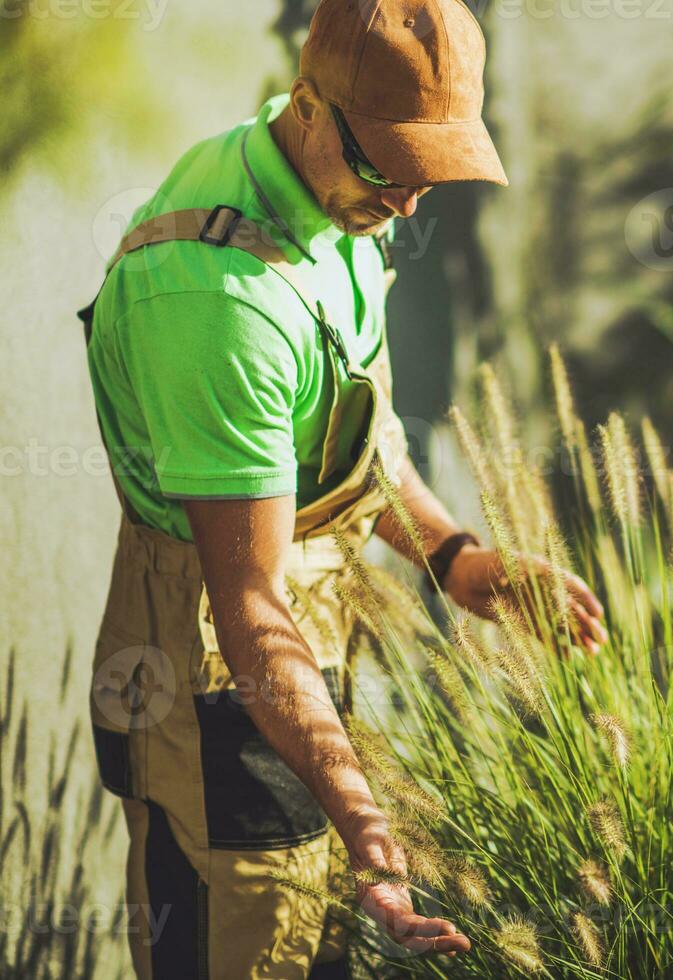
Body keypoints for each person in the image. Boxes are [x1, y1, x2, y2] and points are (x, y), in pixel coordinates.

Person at [78, 1, 607, 976]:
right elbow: (247, 610)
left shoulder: (336, 193)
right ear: (310, 108)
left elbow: (355, 427)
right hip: (217, 687)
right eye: (388, 167)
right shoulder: (220, 302)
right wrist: (370, 826)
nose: (407, 203)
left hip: (290, 659)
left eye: (428, 170)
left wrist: (457, 557)